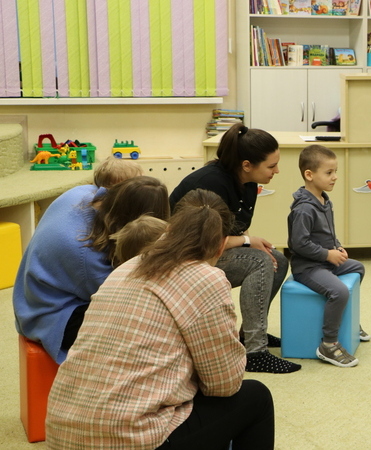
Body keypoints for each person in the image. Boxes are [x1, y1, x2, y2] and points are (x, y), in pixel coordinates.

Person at [46, 189, 275, 450]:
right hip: (129, 438)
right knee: (256, 398)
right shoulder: (206, 278)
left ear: (169, 229)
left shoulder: (127, 267)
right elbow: (225, 383)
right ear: (222, 245)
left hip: (62, 432)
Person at [170, 123, 298, 374]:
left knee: (278, 260)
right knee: (259, 261)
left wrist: (249, 241)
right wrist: (248, 242)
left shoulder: (247, 182)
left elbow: (236, 229)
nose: (277, 171)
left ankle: (250, 334)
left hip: (212, 251)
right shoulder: (211, 183)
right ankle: (255, 352)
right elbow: (204, 243)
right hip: (186, 258)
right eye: (271, 166)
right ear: (247, 165)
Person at [13, 176, 170, 363]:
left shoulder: (81, 193)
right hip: (51, 316)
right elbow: (126, 298)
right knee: (143, 323)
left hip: (31, 295)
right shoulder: (87, 257)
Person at [287, 144, 369, 368]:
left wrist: (337, 248)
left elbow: (327, 233)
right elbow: (298, 244)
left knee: (358, 267)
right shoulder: (304, 208)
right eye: (329, 172)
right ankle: (329, 344)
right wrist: (327, 254)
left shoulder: (324, 200)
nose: (335, 177)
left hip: (324, 260)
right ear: (309, 175)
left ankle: (347, 322)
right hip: (308, 267)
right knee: (339, 291)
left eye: (335, 171)